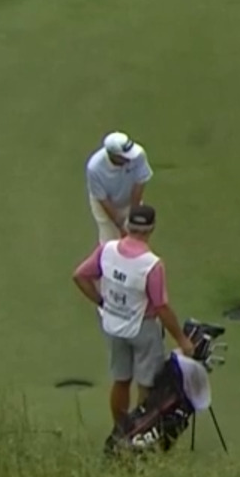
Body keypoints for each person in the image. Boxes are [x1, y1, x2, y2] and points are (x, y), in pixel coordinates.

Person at [71, 203, 195, 427]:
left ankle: (121, 430)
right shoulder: (151, 265)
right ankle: (139, 432)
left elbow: (80, 276)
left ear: (128, 226)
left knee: (120, 380)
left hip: (112, 325)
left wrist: (102, 301)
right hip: (142, 328)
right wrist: (182, 339)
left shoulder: (107, 250)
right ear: (151, 229)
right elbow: (161, 307)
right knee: (146, 384)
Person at [86, 131, 153, 244]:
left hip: (130, 199)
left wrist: (133, 215)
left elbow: (139, 184)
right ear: (113, 155)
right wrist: (121, 227)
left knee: (136, 241)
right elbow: (103, 200)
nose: (130, 158)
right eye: (124, 156)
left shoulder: (138, 155)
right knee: (109, 243)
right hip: (105, 204)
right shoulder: (94, 168)